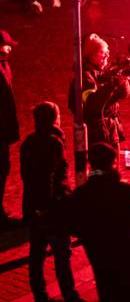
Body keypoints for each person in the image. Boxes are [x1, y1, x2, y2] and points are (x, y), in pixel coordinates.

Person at [58, 143, 130, 301]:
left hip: (104, 263)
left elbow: (71, 225)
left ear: (90, 164)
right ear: (113, 164)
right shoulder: (122, 191)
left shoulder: (82, 196)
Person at [20, 101, 84, 302]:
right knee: (61, 253)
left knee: (36, 254)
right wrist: (47, 206)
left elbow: (27, 176)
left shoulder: (29, 142)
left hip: (32, 204)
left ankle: (40, 295)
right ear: (54, 118)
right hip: (52, 207)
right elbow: (48, 176)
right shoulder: (54, 142)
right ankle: (69, 294)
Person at [78, 33, 130, 155]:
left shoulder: (102, 73)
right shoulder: (86, 77)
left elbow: (123, 95)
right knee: (102, 167)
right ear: (91, 56)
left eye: (107, 52)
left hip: (110, 128)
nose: (107, 55)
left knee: (114, 167)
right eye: (102, 52)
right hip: (97, 132)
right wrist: (114, 83)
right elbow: (93, 103)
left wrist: (123, 80)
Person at [0, 30, 19, 226]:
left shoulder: (5, 66)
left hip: (4, 129)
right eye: (7, 45)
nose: (10, 48)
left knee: (3, 168)